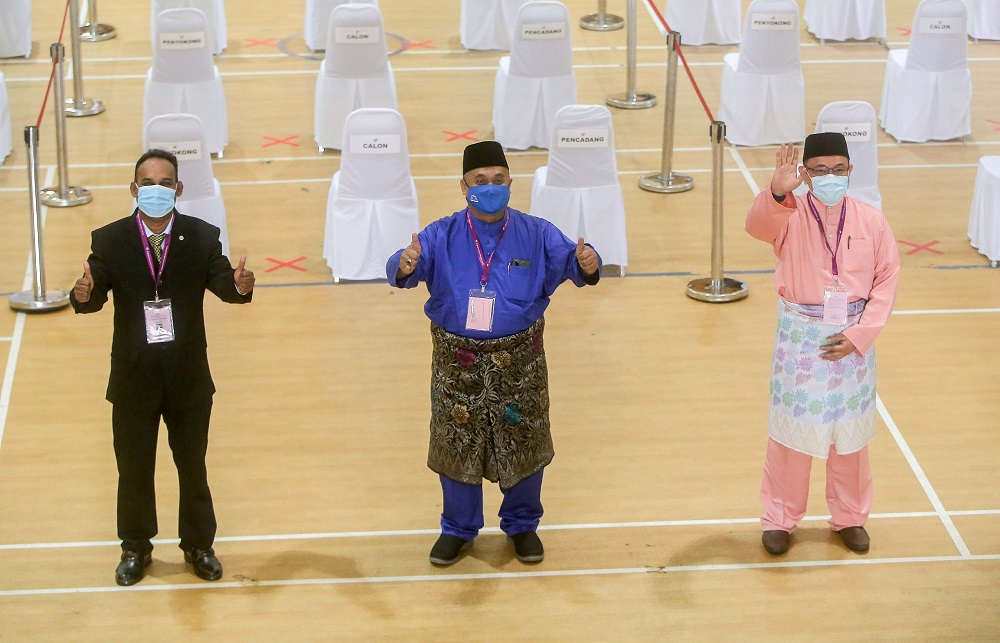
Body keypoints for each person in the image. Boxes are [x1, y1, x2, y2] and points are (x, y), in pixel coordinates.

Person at [387, 141, 602, 566]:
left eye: (498, 181)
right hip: (457, 365)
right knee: (457, 444)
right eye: (480, 182)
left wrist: (589, 263)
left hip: (518, 364)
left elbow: (576, 265)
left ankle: (522, 525)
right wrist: (406, 263)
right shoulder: (441, 233)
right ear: (463, 186)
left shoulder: (536, 232)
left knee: (524, 441)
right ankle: (458, 529)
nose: (490, 188)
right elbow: (404, 264)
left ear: (510, 183)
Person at [70, 149, 255, 586]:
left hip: (187, 376)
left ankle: (198, 546)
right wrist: (82, 294)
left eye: (165, 183)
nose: (156, 190)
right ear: (135, 190)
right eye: (147, 184)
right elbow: (93, 295)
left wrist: (240, 286)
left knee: (193, 466)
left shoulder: (203, 236)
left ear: (179, 189)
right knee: (133, 470)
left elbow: (225, 285)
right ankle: (135, 548)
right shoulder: (110, 240)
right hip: (133, 377)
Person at [745, 132, 900, 556]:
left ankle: (850, 517)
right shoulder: (787, 215)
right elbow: (756, 227)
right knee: (791, 437)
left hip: (852, 342)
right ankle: (779, 518)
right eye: (818, 171)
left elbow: (886, 281)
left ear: (850, 171)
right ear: (805, 173)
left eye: (837, 170)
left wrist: (859, 335)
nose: (829, 177)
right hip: (802, 341)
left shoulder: (872, 221)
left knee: (850, 439)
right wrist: (777, 191)